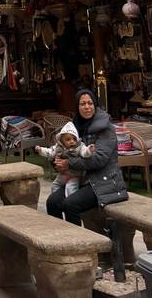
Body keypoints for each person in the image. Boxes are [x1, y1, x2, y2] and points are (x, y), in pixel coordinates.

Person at [46, 89, 128, 226]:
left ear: (95, 105)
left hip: (104, 181)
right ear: (77, 108)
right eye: (82, 104)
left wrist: (69, 163)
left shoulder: (105, 128)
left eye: (90, 103)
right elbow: (62, 150)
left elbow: (99, 159)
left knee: (70, 204)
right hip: (81, 179)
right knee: (53, 202)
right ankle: (62, 241)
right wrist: (57, 163)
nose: (87, 107)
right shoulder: (75, 128)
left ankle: (80, 245)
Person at [35, 120, 95, 197]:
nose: (72, 141)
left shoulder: (79, 147)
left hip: (74, 175)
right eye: (68, 139)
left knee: (70, 188)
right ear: (62, 141)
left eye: (74, 139)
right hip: (62, 174)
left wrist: (89, 150)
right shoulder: (58, 147)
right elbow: (50, 152)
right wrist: (41, 150)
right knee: (55, 185)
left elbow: (84, 153)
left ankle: (71, 201)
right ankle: (55, 197)